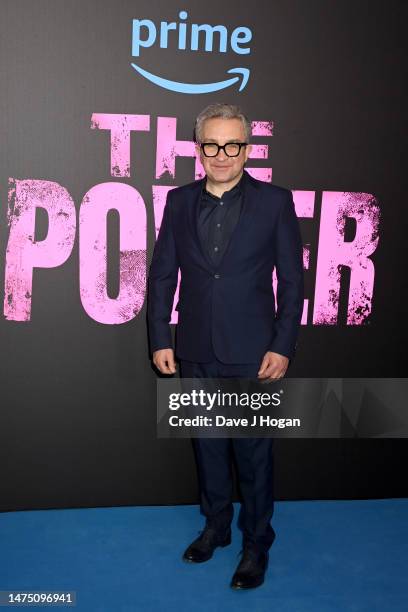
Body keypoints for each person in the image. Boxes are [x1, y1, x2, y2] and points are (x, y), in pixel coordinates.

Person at [147, 103, 304, 589]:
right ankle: (215, 528)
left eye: (232, 145)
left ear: (247, 149)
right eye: (211, 145)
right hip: (194, 347)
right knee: (209, 449)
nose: (221, 155)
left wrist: (282, 344)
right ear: (198, 149)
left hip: (255, 352)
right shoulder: (177, 201)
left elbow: (293, 281)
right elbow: (162, 276)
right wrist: (159, 337)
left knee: (254, 457)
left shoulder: (275, 202)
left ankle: (256, 543)